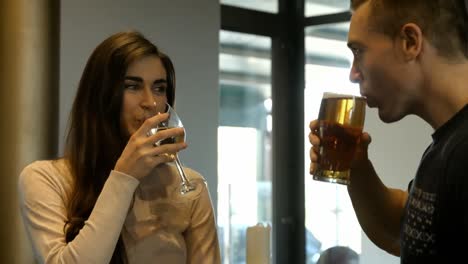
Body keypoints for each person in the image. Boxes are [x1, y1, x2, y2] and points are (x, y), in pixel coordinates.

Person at [18, 31, 221, 263]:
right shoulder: (46, 178)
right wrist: (125, 176)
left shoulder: (189, 187)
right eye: (132, 86)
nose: (150, 102)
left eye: (159, 88)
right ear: (100, 95)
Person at [309, 0, 468, 262]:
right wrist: (356, 167)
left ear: (410, 42)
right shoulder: (445, 147)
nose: (353, 74)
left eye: (358, 51)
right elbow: (405, 233)